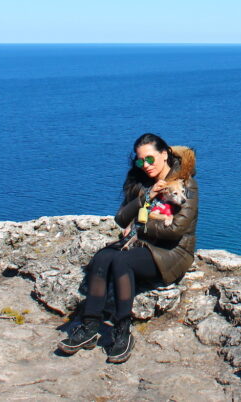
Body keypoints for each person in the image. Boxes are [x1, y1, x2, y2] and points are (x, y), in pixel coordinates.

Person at [58, 133, 198, 363]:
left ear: (164, 155)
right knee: (103, 258)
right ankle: (89, 326)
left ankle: (122, 331)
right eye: (140, 161)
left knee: (121, 261)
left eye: (150, 159)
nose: (145, 166)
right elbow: (122, 218)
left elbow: (176, 230)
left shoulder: (185, 183)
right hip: (140, 244)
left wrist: (140, 227)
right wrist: (147, 196)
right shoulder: (142, 182)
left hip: (171, 252)